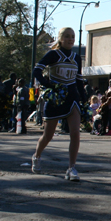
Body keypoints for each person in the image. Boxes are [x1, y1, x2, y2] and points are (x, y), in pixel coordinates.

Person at [31, 27, 85, 181]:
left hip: (72, 97)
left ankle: (71, 168)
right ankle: (37, 155)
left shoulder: (76, 57)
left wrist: (84, 98)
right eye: (67, 36)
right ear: (60, 38)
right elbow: (37, 71)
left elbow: (79, 79)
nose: (70, 39)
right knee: (48, 135)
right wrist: (49, 85)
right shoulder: (53, 54)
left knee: (75, 133)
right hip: (55, 98)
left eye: (72, 37)